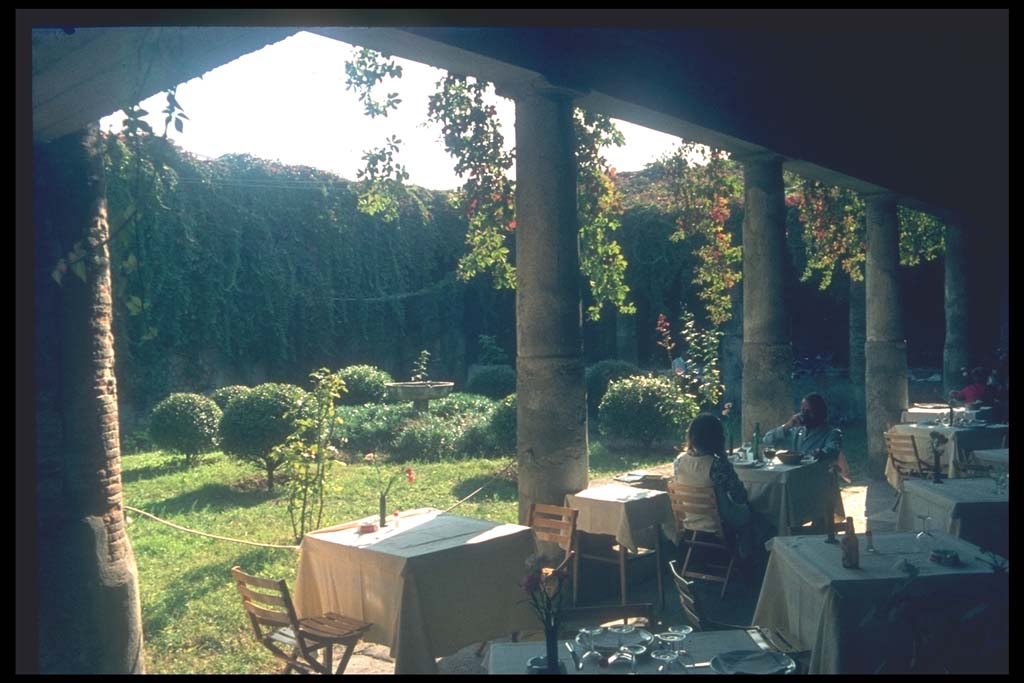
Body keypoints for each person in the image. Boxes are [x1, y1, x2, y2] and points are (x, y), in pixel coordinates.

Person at [674, 413, 759, 560]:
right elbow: (740, 496)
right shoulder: (718, 465)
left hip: (690, 521)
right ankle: (748, 559)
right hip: (717, 525)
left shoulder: (679, 462)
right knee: (753, 514)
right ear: (717, 437)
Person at [763, 393, 842, 464]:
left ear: (820, 412)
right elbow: (767, 440)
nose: (804, 414)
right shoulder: (795, 431)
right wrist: (787, 426)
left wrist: (820, 453)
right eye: (803, 411)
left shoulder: (831, 433)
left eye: (809, 411)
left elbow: (832, 450)